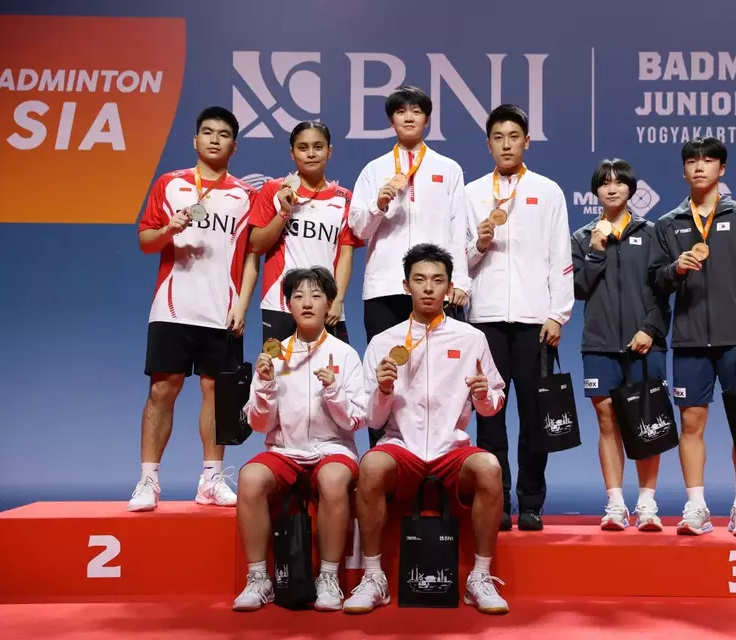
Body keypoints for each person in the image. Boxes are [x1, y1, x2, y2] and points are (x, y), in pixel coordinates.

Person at [343, 243, 509, 616]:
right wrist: (384, 390)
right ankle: (374, 578)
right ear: (406, 286)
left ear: (449, 288)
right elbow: (371, 419)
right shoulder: (384, 342)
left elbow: (494, 400)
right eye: (420, 280)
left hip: (452, 449)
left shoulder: (471, 338)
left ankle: (480, 578)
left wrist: (483, 396)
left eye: (437, 280)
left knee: (490, 468)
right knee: (369, 466)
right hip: (402, 447)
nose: (429, 288)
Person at [129, 106, 259, 512]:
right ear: (195, 140)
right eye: (207, 132)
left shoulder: (245, 195)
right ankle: (148, 480)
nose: (215, 139)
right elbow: (145, 241)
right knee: (162, 391)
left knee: (217, 394)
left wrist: (242, 304)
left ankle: (211, 479)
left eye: (223, 134)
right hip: (172, 307)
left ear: (234, 146)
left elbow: (252, 256)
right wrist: (170, 228)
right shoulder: (170, 185)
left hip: (221, 311)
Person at [647, 136, 736, 537]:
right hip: (689, 340)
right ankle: (696, 507)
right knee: (691, 423)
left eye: (708, 160)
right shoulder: (668, 223)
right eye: (692, 161)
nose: (700, 167)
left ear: (722, 169)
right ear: (683, 170)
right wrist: (675, 270)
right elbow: (655, 281)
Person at [463, 104, 573, 531]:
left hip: (533, 321)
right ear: (488, 143)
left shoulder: (548, 191)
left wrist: (558, 315)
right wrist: (479, 244)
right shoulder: (472, 194)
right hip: (485, 319)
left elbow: (559, 257)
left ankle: (530, 501)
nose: (506, 144)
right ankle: (497, 500)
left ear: (527, 141)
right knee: (489, 417)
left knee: (534, 415)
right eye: (498, 137)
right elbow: (460, 259)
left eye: (514, 137)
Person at [233, 267, 367, 612]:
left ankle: (328, 577)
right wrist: (264, 385)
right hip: (285, 451)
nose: (307, 303)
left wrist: (333, 390)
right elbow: (260, 426)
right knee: (249, 478)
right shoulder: (274, 356)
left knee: (335, 480)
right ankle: (259, 578)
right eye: (298, 296)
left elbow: (356, 419)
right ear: (288, 305)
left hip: (333, 449)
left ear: (329, 304)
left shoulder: (346, 355)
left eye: (316, 295)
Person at [348, 86, 471, 447]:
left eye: (416, 111)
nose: (409, 117)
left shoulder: (448, 169)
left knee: (438, 378)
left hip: (435, 288)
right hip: (386, 287)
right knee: (384, 375)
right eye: (401, 112)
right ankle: (380, 462)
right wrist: (379, 203)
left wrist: (459, 281)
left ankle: (439, 460)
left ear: (426, 119)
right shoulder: (374, 171)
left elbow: (457, 226)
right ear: (392, 120)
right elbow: (357, 228)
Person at [571, 159, 671, 532]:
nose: (612, 189)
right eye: (604, 183)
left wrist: (650, 329)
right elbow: (578, 289)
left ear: (631, 188)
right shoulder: (582, 238)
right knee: (606, 420)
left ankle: (647, 503)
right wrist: (596, 250)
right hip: (599, 344)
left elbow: (664, 288)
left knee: (648, 420)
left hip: (645, 343)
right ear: (595, 191)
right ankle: (615, 503)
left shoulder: (653, 232)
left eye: (619, 182)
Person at [248, 121, 362, 345]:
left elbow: (346, 255)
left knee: (331, 376)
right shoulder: (274, 190)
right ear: (292, 153)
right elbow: (256, 245)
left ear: (329, 152)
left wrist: (337, 300)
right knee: (280, 376)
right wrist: (283, 213)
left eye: (318, 147)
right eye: (303, 148)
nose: (311, 154)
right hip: (279, 304)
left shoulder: (344, 198)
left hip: (326, 306)